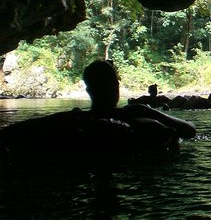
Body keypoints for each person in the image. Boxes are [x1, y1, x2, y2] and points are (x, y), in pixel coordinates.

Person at [0, 60, 196, 163]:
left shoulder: (72, 118)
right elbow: (188, 130)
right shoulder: (135, 114)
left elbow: (12, 133)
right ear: (117, 87)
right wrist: (150, 112)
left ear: (88, 90)